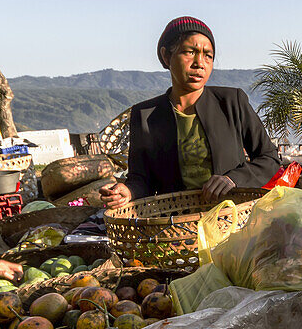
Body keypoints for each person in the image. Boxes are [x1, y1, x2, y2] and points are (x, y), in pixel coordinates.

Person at [100, 17, 282, 210]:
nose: (199, 63)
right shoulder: (145, 115)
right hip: (175, 225)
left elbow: (269, 158)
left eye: (208, 55)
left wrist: (233, 179)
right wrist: (128, 192)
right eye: (190, 52)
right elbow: (141, 178)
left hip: (231, 218)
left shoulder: (231, 102)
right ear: (166, 57)